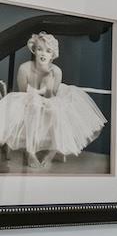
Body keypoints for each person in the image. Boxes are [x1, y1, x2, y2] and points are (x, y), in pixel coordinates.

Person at [0, 31, 107, 169]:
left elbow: (52, 96)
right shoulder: (24, 68)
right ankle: (30, 151)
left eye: (48, 51)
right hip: (29, 98)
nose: (43, 54)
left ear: (53, 55)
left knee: (56, 110)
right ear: (34, 50)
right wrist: (36, 96)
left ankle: (53, 151)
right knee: (34, 106)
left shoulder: (56, 71)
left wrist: (48, 84)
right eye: (39, 49)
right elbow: (22, 94)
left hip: (51, 97)